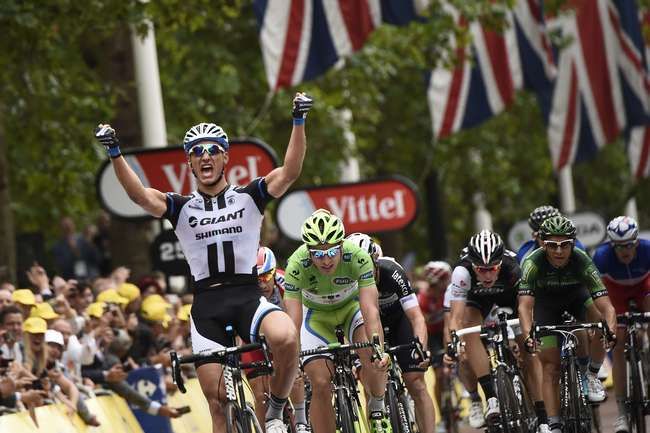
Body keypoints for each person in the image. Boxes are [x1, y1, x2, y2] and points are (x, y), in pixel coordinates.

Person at [94, 91, 312, 433]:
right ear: (190, 163)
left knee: (285, 337)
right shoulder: (181, 207)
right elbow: (139, 195)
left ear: (225, 157)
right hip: (207, 306)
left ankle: (275, 409)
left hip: (247, 296)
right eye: (197, 152)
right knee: (217, 402)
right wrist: (115, 153)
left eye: (212, 150)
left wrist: (298, 120)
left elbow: (290, 171)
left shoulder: (249, 196)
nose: (205, 156)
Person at [283, 210, 391, 433]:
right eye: (317, 254)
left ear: (342, 245)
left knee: (372, 356)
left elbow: (370, 310)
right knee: (320, 382)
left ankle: (377, 408)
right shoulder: (296, 264)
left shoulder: (358, 256)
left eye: (332, 251)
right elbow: (293, 321)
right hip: (316, 318)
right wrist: (293, 360)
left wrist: (378, 348)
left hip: (351, 309)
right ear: (308, 251)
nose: (326, 260)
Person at [518, 216, 617, 433]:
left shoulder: (582, 260)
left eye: (564, 245)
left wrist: (610, 329)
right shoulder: (532, 263)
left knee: (600, 323)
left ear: (573, 244)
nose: (559, 251)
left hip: (576, 298)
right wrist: (527, 335)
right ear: (543, 244)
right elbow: (524, 307)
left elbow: (607, 307)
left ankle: (592, 374)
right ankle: (554, 424)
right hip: (546, 305)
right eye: (552, 245)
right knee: (550, 367)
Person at [446, 230, 547, 432]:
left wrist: (528, 334)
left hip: (510, 299)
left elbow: (525, 308)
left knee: (529, 349)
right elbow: (455, 317)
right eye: (481, 270)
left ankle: (543, 417)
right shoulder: (461, 272)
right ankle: (491, 398)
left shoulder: (514, 267)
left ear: (500, 264)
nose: (487, 275)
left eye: (492, 269)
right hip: (477, 300)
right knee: (469, 328)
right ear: (472, 265)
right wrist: (453, 342)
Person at [347, 233, 435, 433]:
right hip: (367, 328)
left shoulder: (392, 272)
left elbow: (416, 317)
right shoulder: (348, 283)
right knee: (370, 387)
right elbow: (347, 322)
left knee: (416, 383)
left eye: (366, 265)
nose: (361, 272)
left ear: (376, 261)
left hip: (399, 323)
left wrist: (421, 348)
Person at [592, 216, 650, 433]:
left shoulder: (648, 249)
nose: (624, 251)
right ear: (611, 245)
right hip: (616, 295)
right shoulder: (602, 256)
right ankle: (622, 414)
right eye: (618, 246)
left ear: (636, 242)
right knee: (617, 346)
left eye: (628, 245)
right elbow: (597, 292)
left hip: (644, 289)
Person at [244, 246, 310, 433]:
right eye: (256, 279)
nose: (262, 284)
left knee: (294, 373)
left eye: (266, 276)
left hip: (284, 335)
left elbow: (299, 320)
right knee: (261, 395)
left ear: (274, 272)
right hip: (254, 340)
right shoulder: (244, 290)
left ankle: (301, 422)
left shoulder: (286, 282)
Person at [516, 205, 586, 264]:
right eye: (543, 236)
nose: (553, 241)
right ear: (534, 236)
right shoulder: (526, 252)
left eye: (558, 236)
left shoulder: (576, 247)